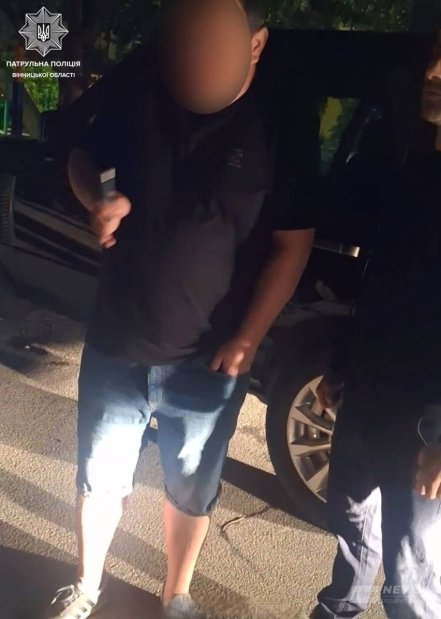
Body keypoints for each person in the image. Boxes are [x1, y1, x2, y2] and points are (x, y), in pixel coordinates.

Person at [43, 1, 318, 618]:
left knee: (191, 488)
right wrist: (98, 199)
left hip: (209, 359)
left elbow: (292, 244)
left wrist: (248, 337)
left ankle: (175, 595)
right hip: (117, 341)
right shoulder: (143, 81)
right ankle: (87, 586)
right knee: (98, 476)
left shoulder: (282, 120)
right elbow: (84, 157)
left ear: (255, 44)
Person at [311, 29, 441, 619]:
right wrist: (342, 365)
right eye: (433, 58)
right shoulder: (414, 162)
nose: (433, 74)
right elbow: (381, 279)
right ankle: (338, 610)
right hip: (369, 389)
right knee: (351, 523)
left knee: (412, 573)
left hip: (425, 416)